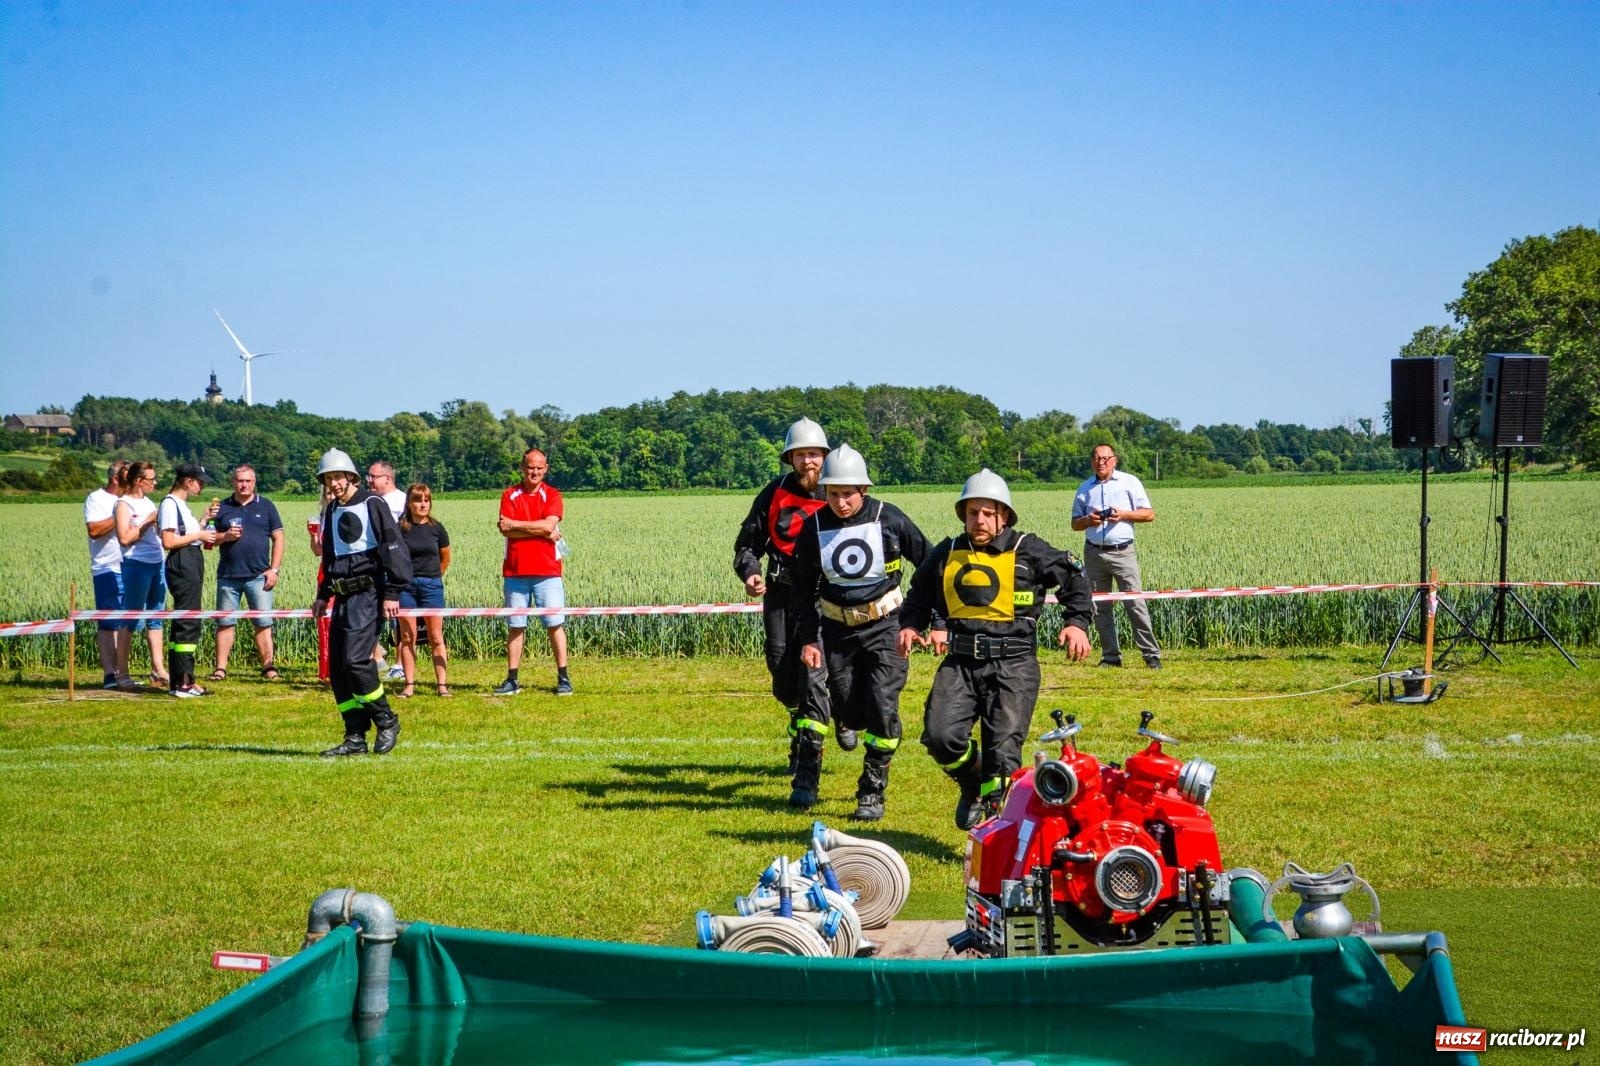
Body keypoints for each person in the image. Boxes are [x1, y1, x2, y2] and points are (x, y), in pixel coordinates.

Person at [899, 469, 1094, 829]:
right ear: (963, 515)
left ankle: (994, 827)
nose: (980, 520)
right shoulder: (947, 552)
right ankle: (971, 782)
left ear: (1004, 515)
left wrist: (1076, 623)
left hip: (1014, 666)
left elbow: (1074, 577)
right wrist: (911, 625)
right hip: (960, 663)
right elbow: (919, 595)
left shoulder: (1028, 549)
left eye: (988, 513)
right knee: (940, 738)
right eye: (973, 512)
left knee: (1003, 755)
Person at [791, 444, 930, 820]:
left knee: (883, 706)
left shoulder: (890, 518)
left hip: (887, 628)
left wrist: (924, 622)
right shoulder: (813, 527)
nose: (840, 502)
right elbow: (801, 589)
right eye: (833, 493)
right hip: (837, 632)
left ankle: (871, 791)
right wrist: (809, 639)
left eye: (848, 493)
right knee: (852, 712)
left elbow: (930, 565)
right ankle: (845, 721)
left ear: (864, 490)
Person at [733, 417, 850, 763]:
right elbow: (747, 544)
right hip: (781, 594)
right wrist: (751, 572)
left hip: (824, 597)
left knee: (815, 671)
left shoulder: (839, 494)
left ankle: (810, 742)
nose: (808, 461)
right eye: (800, 455)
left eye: (814, 454)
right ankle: (802, 718)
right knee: (783, 676)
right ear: (790, 459)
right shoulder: (774, 492)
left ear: (824, 456)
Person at [310, 448, 411, 756]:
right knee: (339, 669)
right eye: (328, 479)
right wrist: (323, 595)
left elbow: (393, 546)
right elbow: (330, 557)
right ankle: (354, 736)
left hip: (368, 595)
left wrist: (392, 592)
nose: (333, 484)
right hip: (341, 596)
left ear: (350, 477)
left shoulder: (372, 504)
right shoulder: (331, 510)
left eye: (338, 477)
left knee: (355, 661)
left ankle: (386, 720)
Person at [1071, 445, 1162, 668]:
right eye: (1096, 458)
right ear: (1092, 461)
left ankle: (1151, 655)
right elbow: (1075, 523)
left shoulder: (1129, 482)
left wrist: (1123, 515)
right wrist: (1088, 521)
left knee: (1135, 603)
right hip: (1094, 553)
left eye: (1105, 458)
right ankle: (1110, 656)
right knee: (1100, 607)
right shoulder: (1084, 488)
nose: (1101, 462)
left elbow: (1149, 514)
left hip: (1123, 553)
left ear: (1114, 460)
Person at [494, 448, 572, 697]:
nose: (534, 472)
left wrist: (518, 525)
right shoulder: (509, 495)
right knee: (516, 626)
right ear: (522, 468)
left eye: (539, 467)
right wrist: (540, 530)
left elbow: (548, 525)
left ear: (545, 469)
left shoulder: (553, 495)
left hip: (548, 571)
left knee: (554, 624)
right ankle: (512, 679)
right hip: (515, 572)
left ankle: (563, 678)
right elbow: (506, 530)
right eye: (530, 467)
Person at [210, 464, 285, 681]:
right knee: (225, 623)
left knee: (263, 623)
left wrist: (274, 570)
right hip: (228, 576)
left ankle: (268, 667)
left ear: (254, 482)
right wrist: (225, 537)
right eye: (240, 481)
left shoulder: (267, 506)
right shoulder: (221, 507)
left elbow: (279, 539)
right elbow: (209, 540)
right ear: (233, 482)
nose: (244, 485)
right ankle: (220, 668)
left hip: (259, 577)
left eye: (248, 481)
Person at [158, 464, 221, 698]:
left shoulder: (181, 505)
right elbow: (168, 541)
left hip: (190, 557)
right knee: (188, 620)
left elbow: (187, 535)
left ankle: (179, 680)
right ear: (187, 481)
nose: (201, 486)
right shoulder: (170, 504)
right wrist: (200, 534)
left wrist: (204, 520)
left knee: (184, 619)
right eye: (199, 482)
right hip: (183, 560)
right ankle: (184, 682)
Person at [113, 461, 169, 687]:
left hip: (157, 562)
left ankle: (158, 669)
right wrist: (147, 522)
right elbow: (124, 538)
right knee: (131, 617)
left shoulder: (147, 502)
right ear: (138, 481)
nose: (155, 483)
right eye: (151, 479)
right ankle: (122, 673)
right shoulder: (123, 505)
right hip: (136, 564)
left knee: (156, 616)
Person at [396, 483, 451, 698]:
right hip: (405, 588)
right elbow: (393, 557)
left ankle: (442, 685)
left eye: (426, 500)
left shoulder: (437, 528)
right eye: (418, 500)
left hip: (431, 586)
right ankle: (409, 685)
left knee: (436, 636)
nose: (423, 504)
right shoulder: (400, 528)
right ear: (409, 504)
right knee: (407, 637)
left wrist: (433, 576)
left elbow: (445, 558)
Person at [84, 460, 133, 689]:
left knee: (127, 622)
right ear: (115, 478)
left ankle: (123, 672)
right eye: (128, 477)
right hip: (107, 567)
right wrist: (120, 516)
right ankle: (109, 674)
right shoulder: (96, 499)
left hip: (131, 567)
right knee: (108, 622)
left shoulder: (132, 499)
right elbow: (94, 530)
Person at [366, 460, 408, 679]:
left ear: (388, 478)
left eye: (373, 477)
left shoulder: (403, 501)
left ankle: (400, 664)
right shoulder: (369, 500)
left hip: (394, 565)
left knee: (398, 618)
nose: (369, 481)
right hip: (374, 565)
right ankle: (374, 658)